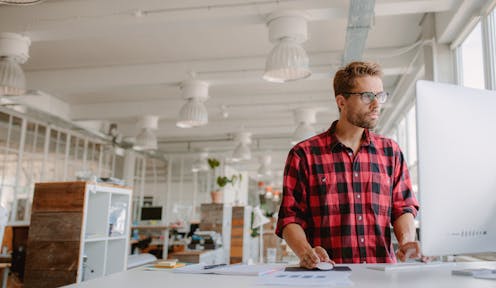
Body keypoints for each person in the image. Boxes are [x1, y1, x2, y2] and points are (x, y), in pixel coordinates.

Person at [276, 61, 420, 268]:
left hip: (381, 276)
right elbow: (290, 218)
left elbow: (403, 207)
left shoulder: (391, 152)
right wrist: (306, 252)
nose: (376, 104)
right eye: (367, 96)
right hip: (328, 275)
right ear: (341, 102)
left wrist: (406, 242)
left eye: (380, 96)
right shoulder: (304, 155)